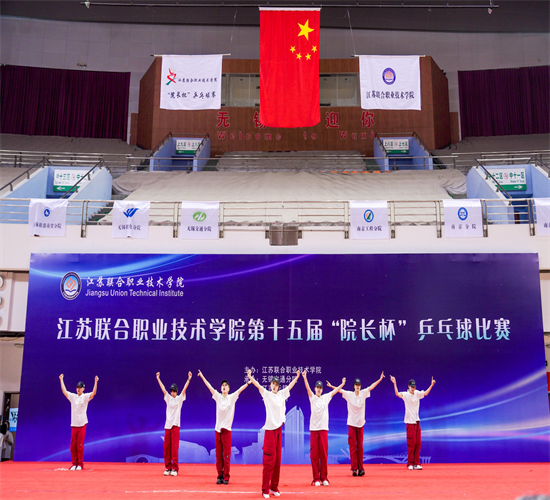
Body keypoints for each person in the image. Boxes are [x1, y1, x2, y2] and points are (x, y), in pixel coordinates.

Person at [248, 367, 301, 499]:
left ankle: (274, 487)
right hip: (270, 432)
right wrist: (250, 378)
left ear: (278, 386)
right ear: (270, 385)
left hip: (279, 431)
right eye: (273, 384)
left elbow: (290, 387)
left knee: (277, 461)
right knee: (269, 461)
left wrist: (296, 377)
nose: (274, 386)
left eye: (276, 384)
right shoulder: (267, 395)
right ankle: (265, 489)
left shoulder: (282, 394)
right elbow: (258, 386)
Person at [198, 370, 250, 484]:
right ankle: (220, 475)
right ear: (221, 388)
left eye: (226, 385)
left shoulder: (232, 397)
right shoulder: (218, 396)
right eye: (222, 385)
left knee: (226, 455)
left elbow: (240, 389)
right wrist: (202, 376)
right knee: (218, 455)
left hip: (227, 431)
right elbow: (209, 387)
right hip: (218, 431)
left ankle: (226, 476)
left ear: (229, 388)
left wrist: (248, 382)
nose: (224, 387)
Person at [328, 372, 385, 476]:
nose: (358, 387)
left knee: (360, 447)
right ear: (354, 386)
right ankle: (354, 469)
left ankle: (361, 468)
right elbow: (339, 390)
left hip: (360, 424)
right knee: (353, 447)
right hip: (351, 425)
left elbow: (371, 387)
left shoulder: (363, 393)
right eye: (356, 385)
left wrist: (380, 379)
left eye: (359, 385)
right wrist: (332, 386)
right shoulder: (349, 394)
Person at [303, 371, 346, 487]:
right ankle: (316, 478)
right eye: (317, 387)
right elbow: (307, 389)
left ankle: (324, 477)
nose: (318, 389)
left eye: (320, 388)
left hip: (323, 430)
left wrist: (342, 384)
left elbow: (335, 391)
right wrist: (305, 378)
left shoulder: (326, 397)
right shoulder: (312, 398)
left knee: (323, 455)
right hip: (314, 430)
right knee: (314, 456)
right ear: (315, 389)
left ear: (322, 389)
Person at [390, 375, 436, 470]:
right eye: (411, 387)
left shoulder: (417, 393)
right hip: (409, 422)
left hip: (417, 421)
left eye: (414, 387)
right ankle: (410, 463)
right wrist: (394, 383)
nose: (413, 388)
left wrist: (431, 385)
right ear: (408, 386)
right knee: (411, 443)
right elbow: (397, 394)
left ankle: (416, 463)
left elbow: (425, 393)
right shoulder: (405, 394)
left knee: (418, 443)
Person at [59, 373, 99, 470]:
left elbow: (93, 393)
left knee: (80, 446)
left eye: (80, 388)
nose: (78, 389)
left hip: (82, 424)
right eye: (77, 387)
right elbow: (64, 392)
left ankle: (80, 464)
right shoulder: (73, 397)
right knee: (73, 446)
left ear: (83, 389)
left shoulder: (85, 397)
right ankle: (74, 464)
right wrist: (61, 380)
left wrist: (96, 382)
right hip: (74, 424)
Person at [157, 371, 192, 477]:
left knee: (174, 448)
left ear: (177, 391)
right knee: (166, 448)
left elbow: (184, 389)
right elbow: (163, 389)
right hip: (167, 426)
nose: (172, 393)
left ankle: (175, 468)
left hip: (175, 426)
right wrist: (158, 378)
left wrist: (189, 379)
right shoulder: (168, 398)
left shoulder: (179, 398)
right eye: (171, 391)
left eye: (174, 391)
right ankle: (168, 468)